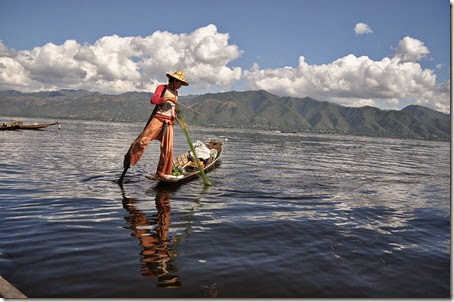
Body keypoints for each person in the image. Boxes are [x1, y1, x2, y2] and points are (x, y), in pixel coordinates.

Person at [118, 70, 189, 184]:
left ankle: (161, 172)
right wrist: (166, 99)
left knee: (167, 149)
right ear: (174, 81)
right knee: (142, 141)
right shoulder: (162, 88)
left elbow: (172, 107)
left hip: (169, 122)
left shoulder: (176, 92)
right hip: (158, 119)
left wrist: (175, 115)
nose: (180, 85)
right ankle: (129, 160)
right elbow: (154, 100)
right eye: (180, 83)